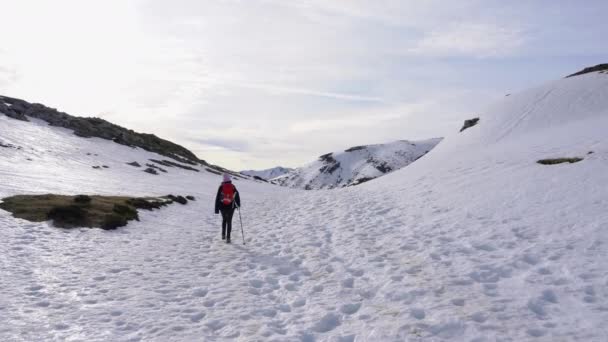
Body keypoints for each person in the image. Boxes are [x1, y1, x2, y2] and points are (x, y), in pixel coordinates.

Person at [214, 173, 241, 243]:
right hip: (231, 207)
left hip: (222, 207)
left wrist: (216, 209)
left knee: (224, 220)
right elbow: (237, 196)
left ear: (223, 179)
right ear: (229, 179)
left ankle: (223, 235)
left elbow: (217, 198)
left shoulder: (221, 187)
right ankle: (228, 238)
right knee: (229, 221)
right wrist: (238, 205)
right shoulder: (233, 186)